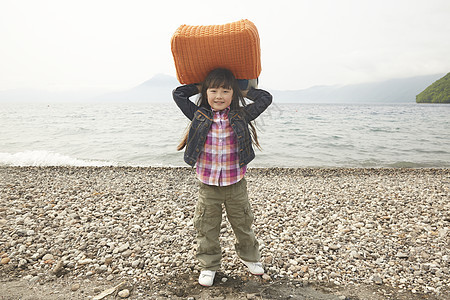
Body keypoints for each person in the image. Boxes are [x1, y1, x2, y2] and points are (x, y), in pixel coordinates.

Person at [172, 68, 272, 287]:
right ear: (206, 92)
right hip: (207, 185)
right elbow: (178, 94)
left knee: (243, 222)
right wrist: (199, 85)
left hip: (236, 183)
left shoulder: (240, 115)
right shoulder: (198, 114)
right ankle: (208, 265)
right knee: (206, 225)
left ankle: (250, 257)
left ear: (232, 94)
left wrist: (243, 91)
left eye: (226, 91)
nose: (219, 96)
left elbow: (265, 98)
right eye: (213, 90)